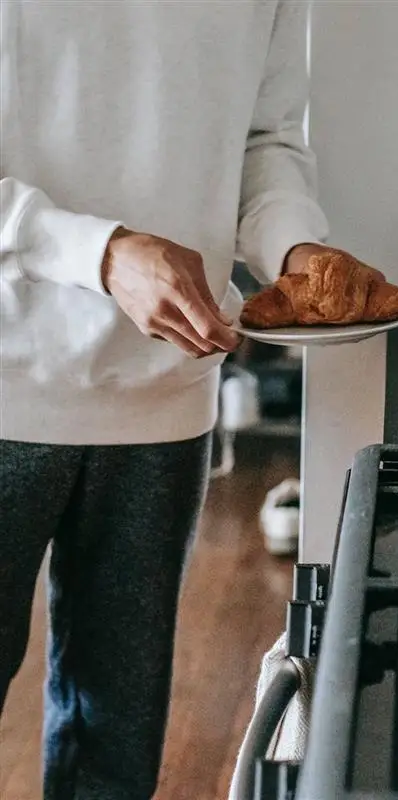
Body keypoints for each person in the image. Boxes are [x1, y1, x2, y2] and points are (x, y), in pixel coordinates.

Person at [0, 2, 374, 797]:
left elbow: (265, 141)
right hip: (5, 374)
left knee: (115, 738)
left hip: (166, 393)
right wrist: (100, 254)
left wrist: (293, 246)